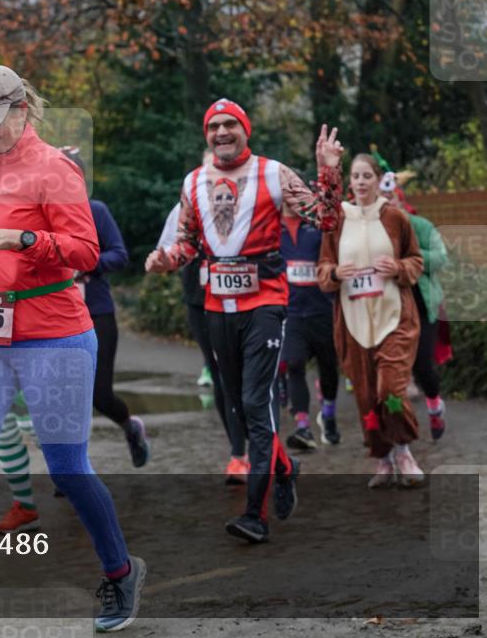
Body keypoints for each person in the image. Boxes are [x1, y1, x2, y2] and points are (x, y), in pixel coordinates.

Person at [0, 65, 144, 638]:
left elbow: (87, 252)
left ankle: (120, 573)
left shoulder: (57, 170)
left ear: (21, 110)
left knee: (67, 465)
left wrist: (21, 239)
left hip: (56, 333)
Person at [147, 98, 343, 544]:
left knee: (257, 404)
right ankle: (286, 467)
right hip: (217, 308)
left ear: (245, 130)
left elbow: (327, 218)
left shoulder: (274, 173)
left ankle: (255, 514)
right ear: (206, 133)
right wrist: (164, 261)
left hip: (266, 305)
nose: (221, 132)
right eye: (213, 125)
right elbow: (187, 244)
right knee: (237, 403)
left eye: (230, 124)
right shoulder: (193, 181)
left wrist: (328, 170)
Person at [317, 154, 425, 488]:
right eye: (356, 176)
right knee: (365, 397)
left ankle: (404, 451)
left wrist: (398, 269)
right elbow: (322, 272)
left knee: (390, 390)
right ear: (349, 182)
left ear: (378, 180)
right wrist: (335, 272)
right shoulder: (337, 221)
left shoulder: (395, 218)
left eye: (367, 176)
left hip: (393, 318)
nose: (361, 182)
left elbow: (416, 262)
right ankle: (382, 458)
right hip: (353, 324)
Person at [60, 147, 150, 468]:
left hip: (96, 312)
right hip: (56, 316)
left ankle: (130, 426)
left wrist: (87, 265)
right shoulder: (40, 217)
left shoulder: (95, 211)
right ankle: (72, 469)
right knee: (65, 398)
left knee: (98, 395)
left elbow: (120, 254)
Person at [155, 201, 246, 484]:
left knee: (247, 376)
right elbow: (169, 251)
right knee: (219, 374)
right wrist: (163, 262)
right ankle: (238, 452)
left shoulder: (247, 203)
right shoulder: (183, 208)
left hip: (246, 299)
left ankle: (259, 445)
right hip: (200, 299)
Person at [381, 175, 450, 441]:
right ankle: (397, 425)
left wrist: (412, 255)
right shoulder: (373, 229)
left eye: (392, 198)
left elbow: (441, 259)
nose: (388, 203)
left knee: (422, 367)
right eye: (383, 199)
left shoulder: (421, 226)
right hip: (388, 309)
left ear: (400, 197)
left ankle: (434, 404)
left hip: (422, 307)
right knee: (390, 375)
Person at [279, 200, 341, 450]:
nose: (291, 201)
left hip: (322, 310)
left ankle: (328, 413)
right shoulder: (271, 231)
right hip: (291, 313)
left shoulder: (317, 229)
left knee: (328, 368)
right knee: (294, 364)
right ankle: (303, 427)